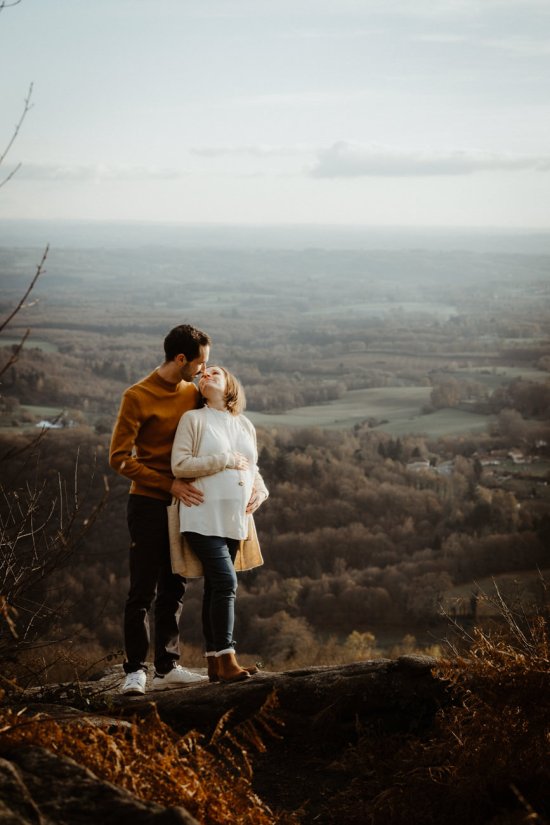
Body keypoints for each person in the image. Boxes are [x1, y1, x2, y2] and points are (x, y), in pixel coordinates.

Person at [109, 324, 211, 695]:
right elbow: (118, 459)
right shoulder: (137, 396)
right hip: (149, 502)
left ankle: (168, 666)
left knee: (175, 586)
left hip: (186, 504)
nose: (204, 370)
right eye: (201, 363)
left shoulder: (194, 393)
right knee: (142, 590)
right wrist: (168, 484)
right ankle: (135, 669)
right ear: (181, 358)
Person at [170, 365, 268, 683]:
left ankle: (214, 664)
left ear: (230, 385)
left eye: (215, 373)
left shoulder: (245, 424)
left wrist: (261, 491)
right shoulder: (193, 420)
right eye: (203, 375)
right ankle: (227, 656)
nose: (206, 376)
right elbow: (180, 465)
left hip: (236, 519)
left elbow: (253, 467)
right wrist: (223, 460)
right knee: (226, 584)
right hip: (201, 515)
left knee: (216, 587)